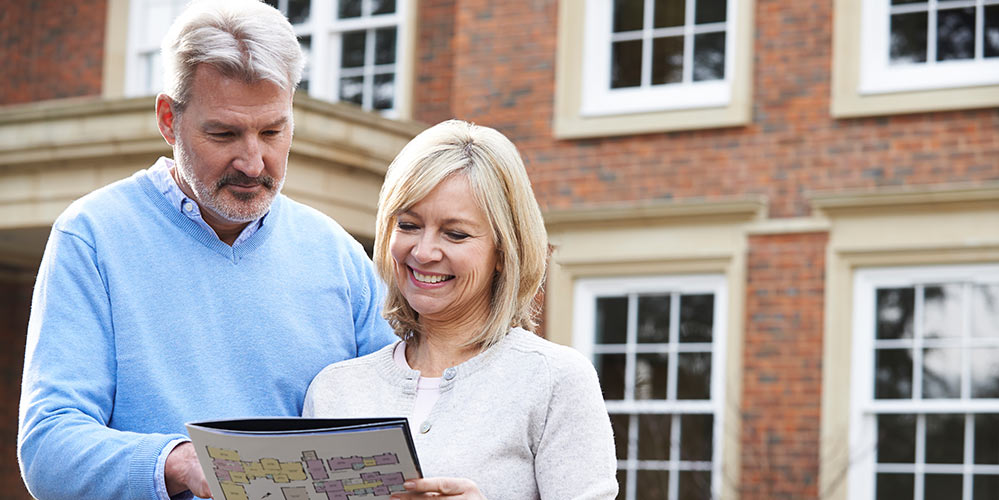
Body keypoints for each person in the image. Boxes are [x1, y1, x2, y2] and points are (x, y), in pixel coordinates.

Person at [17, 1, 395, 498]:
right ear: (169, 120)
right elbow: (48, 447)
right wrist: (179, 462)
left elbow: (395, 427)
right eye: (224, 133)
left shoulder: (339, 256)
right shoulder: (92, 238)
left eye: (272, 131)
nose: (253, 160)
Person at [303, 120, 618, 499]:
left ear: (503, 252)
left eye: (456, 234)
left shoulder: (554, 381)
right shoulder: (334, 390)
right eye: (409, 225)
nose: (423, 252)